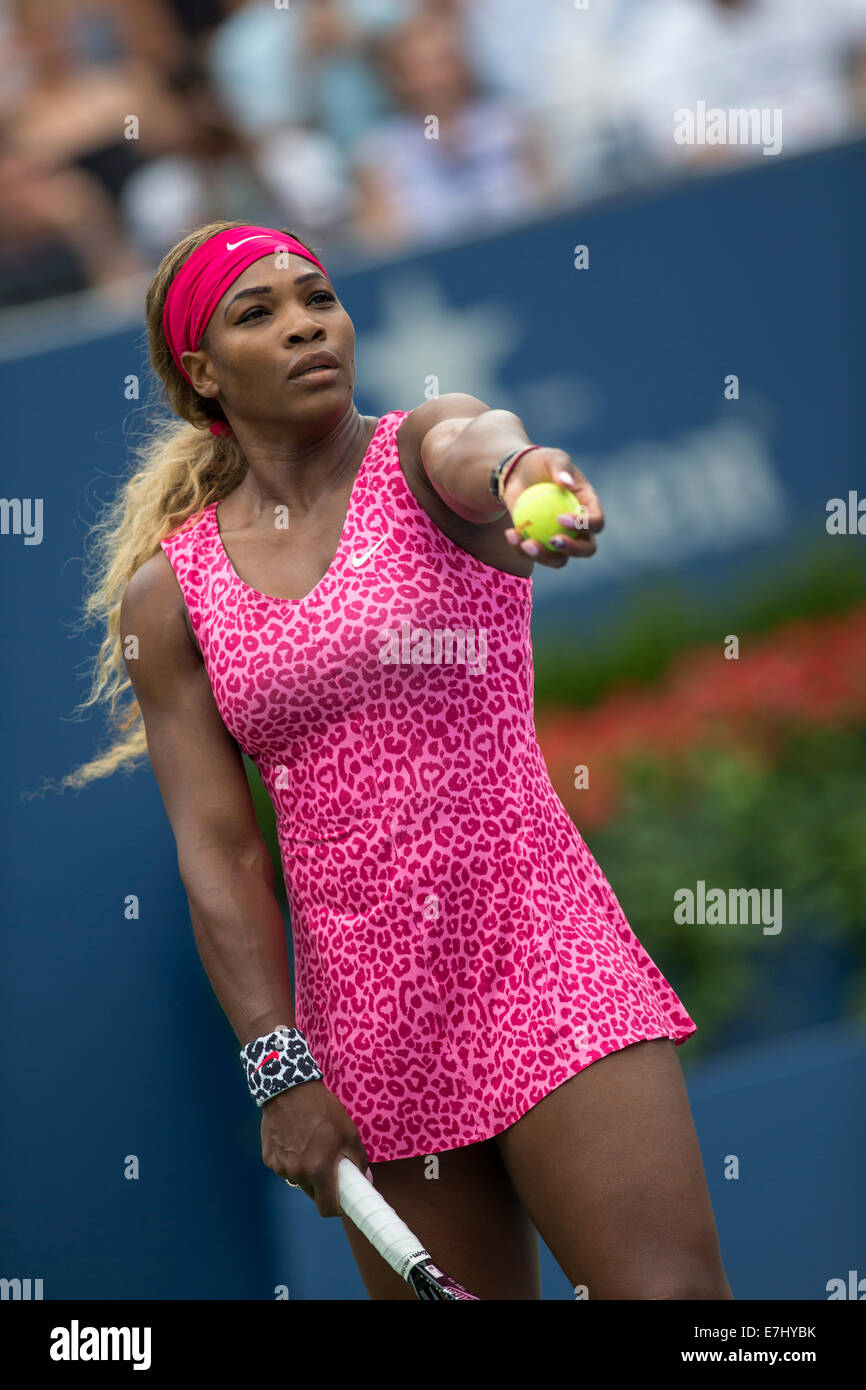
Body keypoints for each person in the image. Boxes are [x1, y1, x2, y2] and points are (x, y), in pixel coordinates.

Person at [66, 221, 733, 1301]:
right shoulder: (169, 599)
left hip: (543, 961)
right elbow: (218, 856)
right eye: (258, 313)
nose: (302, 325)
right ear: (201, 373)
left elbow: (480, 441)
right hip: (366, 1039)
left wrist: (522, 472)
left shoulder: (425, 452)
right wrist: (281, 1070)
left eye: (316, 299)